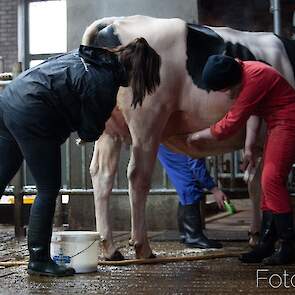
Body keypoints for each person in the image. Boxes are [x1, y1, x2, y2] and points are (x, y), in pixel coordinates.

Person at [0, 38, 161, 276]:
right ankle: (39, 260)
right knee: (48, 188)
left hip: (9, 99)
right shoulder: (105, 83)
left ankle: (39, 258)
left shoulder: (90, 57)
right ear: (137, 71)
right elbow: (89, 131)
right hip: (32, 112)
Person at [187, 54, 295, 265]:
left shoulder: (254, 78)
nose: (227, 95)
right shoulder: (246, 73)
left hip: (288, 122)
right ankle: (266, 243)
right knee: (268, 183)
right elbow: (254, 111)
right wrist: (249, 147)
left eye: (225, 90)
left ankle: (289, 245)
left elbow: (231, 123)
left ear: (231, 82)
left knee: (271, 180)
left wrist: (197, 135)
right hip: (277, 123)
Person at [157, 144, 227, 249]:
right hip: (169, 142)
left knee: (185, 184)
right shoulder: (200, 135)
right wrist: (214, 189)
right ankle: (193, 236)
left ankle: (185, 234)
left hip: (166, 140)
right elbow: (196, 164)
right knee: (189, 184)